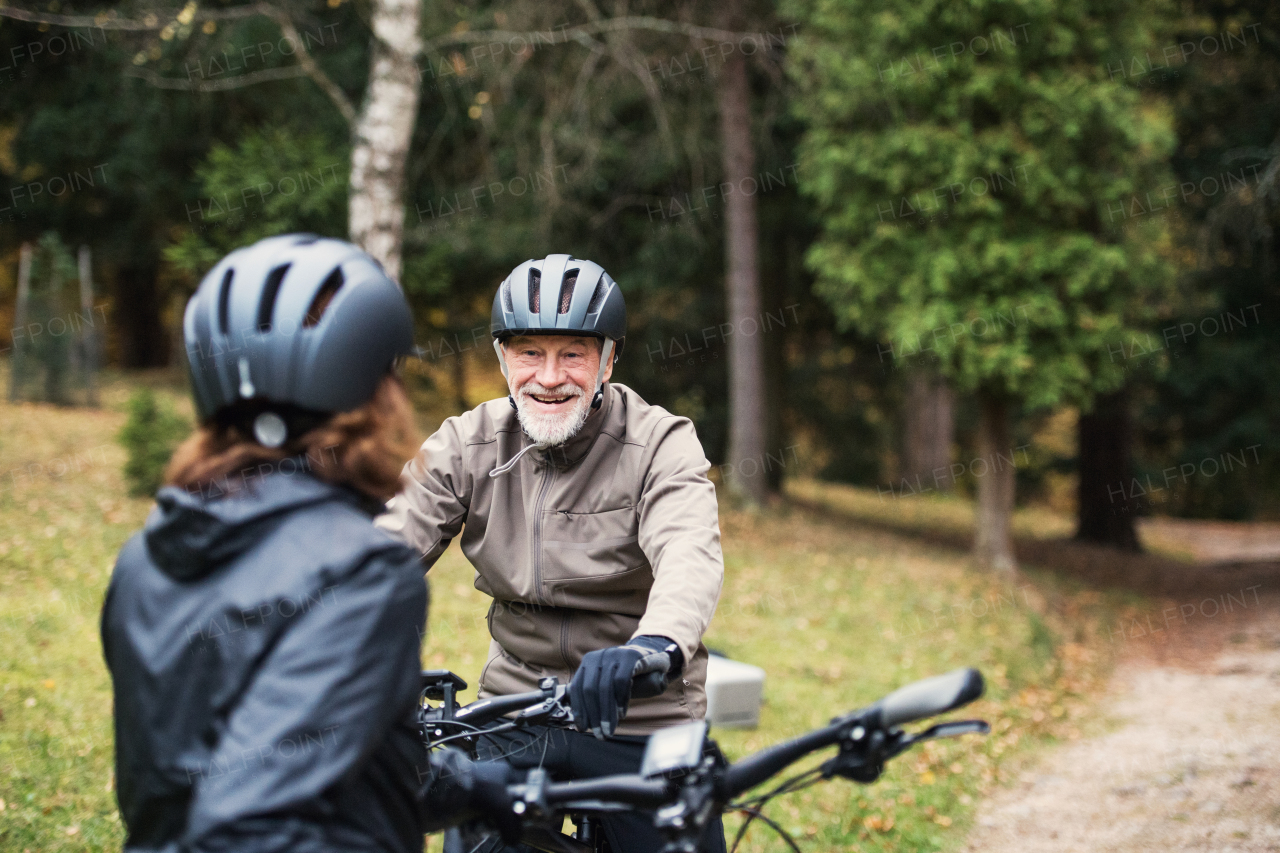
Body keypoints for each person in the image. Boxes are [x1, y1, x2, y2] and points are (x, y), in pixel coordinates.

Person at [101, 234, 519, 853]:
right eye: (391, 374)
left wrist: (460, 785)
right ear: (371, 393)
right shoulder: (358, 570)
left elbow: (308, 754)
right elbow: (251, 818)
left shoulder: (146, 556)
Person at [377, 254, 726, 853]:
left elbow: (688, 553)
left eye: (573, 353)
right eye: (529, 352)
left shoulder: (660, 443)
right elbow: (385, 547)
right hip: (515, 709)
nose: (548, 376)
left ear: (609, 359)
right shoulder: (467, 443)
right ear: (502, 358)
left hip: (640, 713)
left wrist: (654, 647)